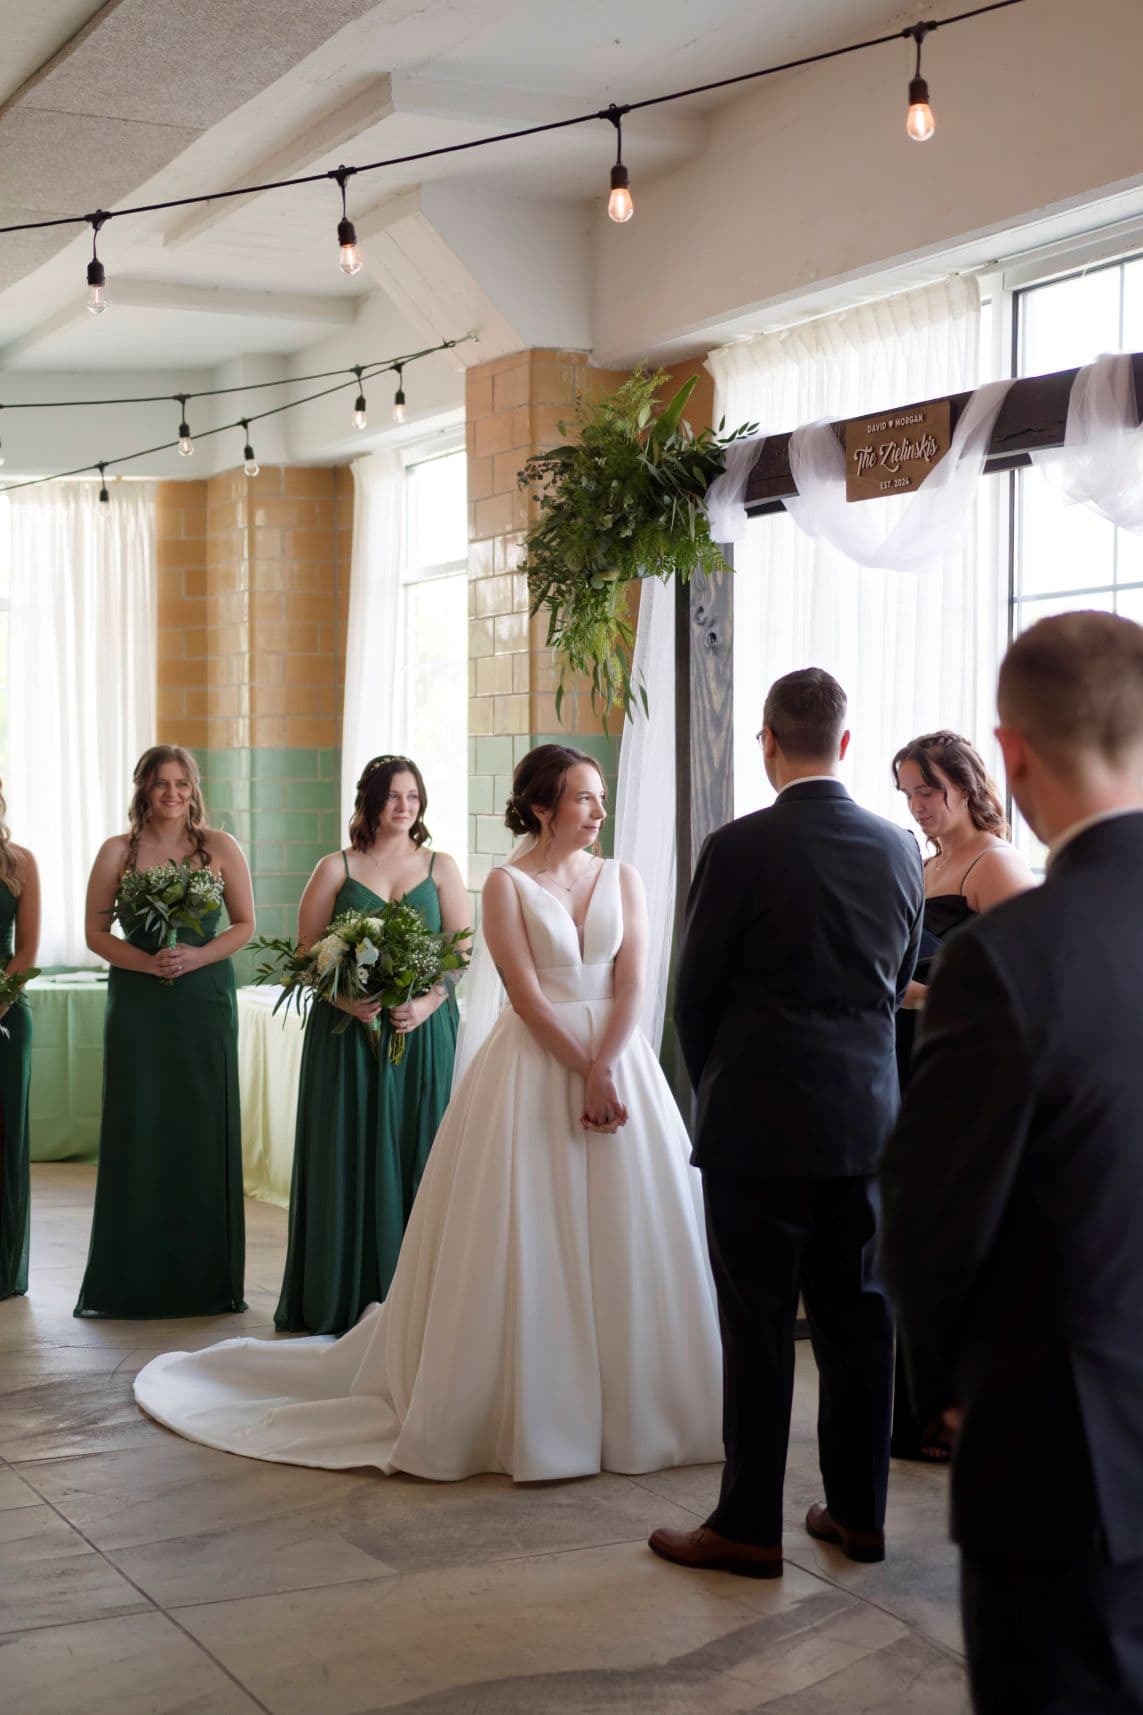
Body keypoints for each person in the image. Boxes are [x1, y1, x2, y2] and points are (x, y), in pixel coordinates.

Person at [133, 743, 723, 1479]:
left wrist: (605, 1066)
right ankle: (530, 1407)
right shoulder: (506, 883)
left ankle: (641, 1403)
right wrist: (581, 1068)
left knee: (628, 1226)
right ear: (542, 806)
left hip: (617, 1060)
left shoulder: (623, 878)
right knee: (533, 1230)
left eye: (600, 797)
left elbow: (636, 976)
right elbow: (522, 990)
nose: (599, 811)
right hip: (537, 1066)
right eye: (583, 797)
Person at [882, 610, 1143, 1715]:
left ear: (1016, 752)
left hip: (1067, 1446)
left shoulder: (1009, 955)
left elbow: (934, 1217)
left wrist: (948, 1389)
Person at [649, 668, 923, 1580]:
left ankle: (747, 1525)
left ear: (766, 740)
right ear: (844, 743)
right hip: (869, 1118)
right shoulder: (896, 849)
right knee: (861, 1317)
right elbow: (890, 985)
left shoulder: (736, 847)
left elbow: (694, 998)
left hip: (760, 1121)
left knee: (759, 1321)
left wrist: (722, 1081)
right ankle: (860, 1514)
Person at [274, 755, 468, 1334]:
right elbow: (305, 953)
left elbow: (459, 951)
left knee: (420, 1150)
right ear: (371, 801)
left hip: (421, 1030)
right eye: (392, 795)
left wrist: (429, 1003)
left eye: (412, 795)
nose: (404, 805)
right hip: (347, 1035)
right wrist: (345, 1002)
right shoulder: (336, 867)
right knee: (347, 1150)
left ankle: (416, 1303)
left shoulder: (441, 867)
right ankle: (341, 1296)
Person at [890, 730, 1033, 1459]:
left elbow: (1024, 975)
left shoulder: (993, 863)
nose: (916, 806)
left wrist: (917, 990)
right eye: (907, 792)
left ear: (964, 784)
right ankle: (918, 1412)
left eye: (927, 790)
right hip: (906, 1060)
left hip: (956, 1065)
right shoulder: (922, 864)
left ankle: (960, 1414)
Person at [75, 745, 254, 1319]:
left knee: (201, 1123)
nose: (172, 793)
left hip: (203, 1003)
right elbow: (96, 933)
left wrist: (197, 959)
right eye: (160, 784)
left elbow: (246, 925)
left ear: (193, 789)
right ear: (143, 789)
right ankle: (132, 1278)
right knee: (141, 1122)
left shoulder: (220, 848)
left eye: (181, 783)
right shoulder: (116, 852)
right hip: (139, 1003)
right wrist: (146, 963)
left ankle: (205, 1281)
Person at [0, 784, 39, 1300]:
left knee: (7, 1135)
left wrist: (3, 995)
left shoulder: (19, 863)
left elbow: (28, 946)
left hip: (8, 1011)